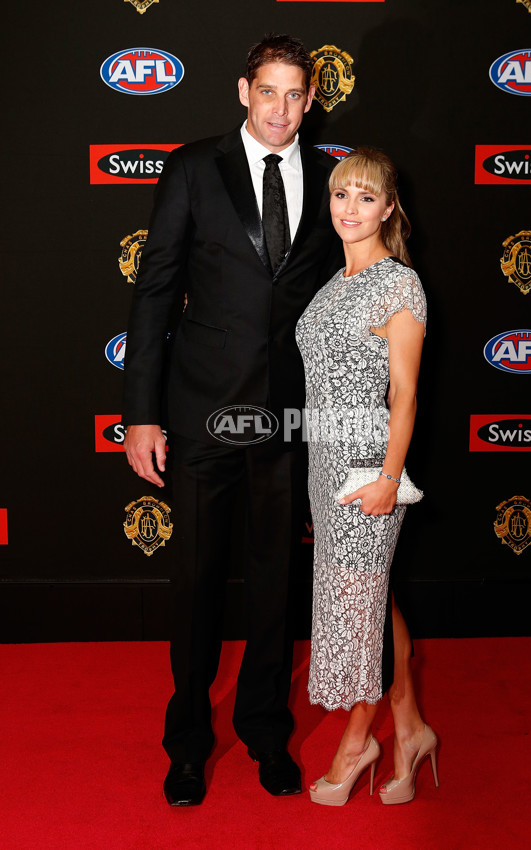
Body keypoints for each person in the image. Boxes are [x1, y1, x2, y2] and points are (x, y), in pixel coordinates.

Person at [122, 34, 342, 806]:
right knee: (196, 585)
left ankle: (266, 733)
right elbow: (154, 294)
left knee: (277, 586)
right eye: (269, 91)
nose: (282, 109)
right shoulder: (191, 167)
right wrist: (141, 415)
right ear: (243, 91)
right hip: (202, 414)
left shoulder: (329, 178)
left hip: (287, 418)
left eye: (296, 95)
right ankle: (187, 744)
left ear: (310, 100)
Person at [296, 148, 438, 806]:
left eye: (364, 197)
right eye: (339, 196)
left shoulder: (398, 284)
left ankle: (358, 745)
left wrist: (388, 476)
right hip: (324, 466)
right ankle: (409, 731)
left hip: (367, 469)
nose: (348, 209)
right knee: (372, 600)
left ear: (388, 208)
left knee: (355, 611)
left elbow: (404, 396)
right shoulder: (333, 282)